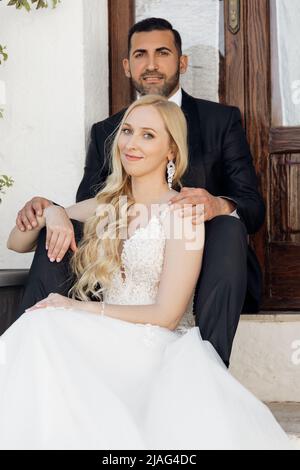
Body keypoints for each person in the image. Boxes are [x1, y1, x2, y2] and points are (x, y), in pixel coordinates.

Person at [2, 96, 292, 450]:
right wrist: (53, 212)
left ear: (171, 149)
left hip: (153, 348)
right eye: (127, 131)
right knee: (40, 326)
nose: (131, 143)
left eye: (148, 135)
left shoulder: (183, 211)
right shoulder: (110, 205)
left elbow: (167, 316)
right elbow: (16, 243)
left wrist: (77, 308)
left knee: (46, 324)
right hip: (104, 337)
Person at [14, 18, 265, 367]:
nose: (150, 64)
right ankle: (35, 357)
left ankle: (208, 369)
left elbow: (251, 206)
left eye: (162, 52)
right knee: (56, 237)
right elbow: (88, 208)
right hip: (118, 266)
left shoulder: (220, 121)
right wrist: (53, 210)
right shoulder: (107, 133)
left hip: (198, 263)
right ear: (126, 65)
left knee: (228, 227)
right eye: (140, 54)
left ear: (182, 61)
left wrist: (216, 205)